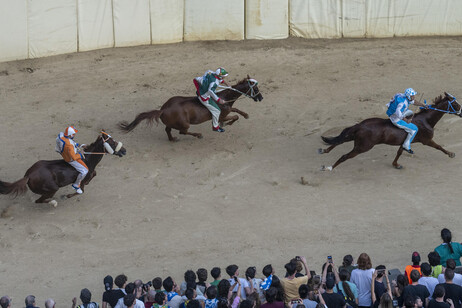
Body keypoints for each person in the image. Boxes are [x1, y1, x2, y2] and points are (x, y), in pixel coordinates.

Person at [386, 88, 427, 154]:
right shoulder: (403, 103)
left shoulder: (402, 96)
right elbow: (398, 113)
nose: (414, 97)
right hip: (396, 119)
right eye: (412, 96)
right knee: (414, 129)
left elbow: (414, 102)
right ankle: (406, 145)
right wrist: (406, 120)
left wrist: (423, 105)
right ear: (408, 96)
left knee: (410, 112)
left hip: (393, 113)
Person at [193, 68, 231, 132]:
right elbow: (210, 91)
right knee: (217, 111)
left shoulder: (212, 73)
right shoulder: (214, 82)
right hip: (204, 96)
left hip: (199, 85)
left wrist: (226, 83)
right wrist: (219, 100)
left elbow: (213, 76)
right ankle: (215, 127)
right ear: (220, 76)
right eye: (224, 76)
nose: (224, 77)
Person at [56, 126, 88, 194]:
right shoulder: (69, 145)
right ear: (70, 134)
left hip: (64, 153)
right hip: (70, 159)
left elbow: (71, 142)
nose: (74, 135)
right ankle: (76, 185)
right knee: (85, 171)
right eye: (73, 134)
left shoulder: (61, 135)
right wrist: (80, 154)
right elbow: (73, 157)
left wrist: (81, 145)